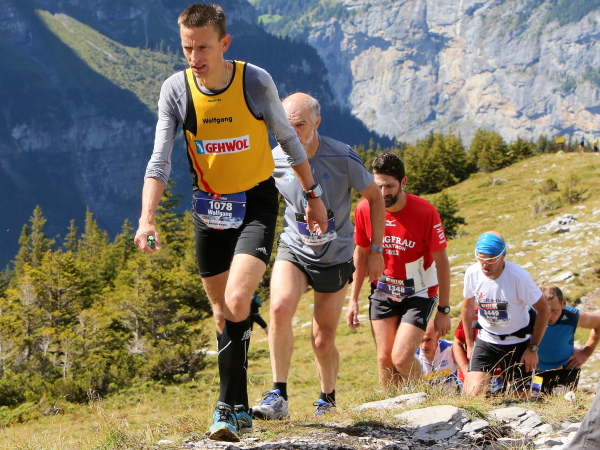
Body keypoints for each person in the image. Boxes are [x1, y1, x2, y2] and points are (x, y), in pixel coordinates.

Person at [133, 4, 328, 442]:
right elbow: (160, 159)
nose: (194, 58)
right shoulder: (176, 90)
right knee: (223, 311)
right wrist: (147, 218)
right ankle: (239, 407)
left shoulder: (253, 81)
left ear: (224, 43)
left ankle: (223, 407)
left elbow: (287, 138)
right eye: (187, 48)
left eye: (203, 48)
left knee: (238, 299)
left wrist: (313, 196)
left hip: (256, 202)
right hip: (209, 207)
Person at [251, 93, 385, 419]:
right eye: (286, 126)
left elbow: (375, 198)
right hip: (294, 248)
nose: (292, 132)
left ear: (317, 123)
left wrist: (376, 250)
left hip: (335, 255)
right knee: (279, 308)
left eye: (300, 125)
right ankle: (278, 396)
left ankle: (327, 398)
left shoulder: (342, 156)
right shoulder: (274, 159)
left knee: (322, 340)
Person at [346, 152, 451, 390]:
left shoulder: (425, 211)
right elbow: (360, 255)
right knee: (384, 360)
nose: (383, 193)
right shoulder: (364, 209)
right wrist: (353, 300)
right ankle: (392, 408)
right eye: (378, 186)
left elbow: (442, 262)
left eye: (390, 186)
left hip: (419, 293)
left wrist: (444, 309)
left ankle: (427, 398)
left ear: (403, 182)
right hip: (383, 290)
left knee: (401, 358)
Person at [461, 231, 550, 396]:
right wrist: (470, 344)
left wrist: (533, 348)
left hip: (518, 342)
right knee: (472, 394)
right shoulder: (472, 273)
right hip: (487, 339)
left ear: (503, 256)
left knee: (521, 399)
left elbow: (544, 309)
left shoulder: (519, 277)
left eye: (491, 259)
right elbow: (467, 307)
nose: (484, 264)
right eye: (480, 258)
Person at [537, 285, 600, 394]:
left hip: (566, 370)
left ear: (563, 303)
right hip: (535, 371)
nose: (549, 316)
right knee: (534, 401)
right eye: (544, 310)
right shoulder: (529, 314)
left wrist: (585, 353)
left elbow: (598, 323)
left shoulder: (573, 316)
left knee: (563, 399)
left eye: (554, 310)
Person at [453, 309, 504, 394]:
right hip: (473, 377)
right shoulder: (472, 315)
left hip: (503, 378)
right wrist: (466, 372)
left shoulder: (515, 312)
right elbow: (457, 344)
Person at [415, 320, 458, 389]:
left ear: (437, 336)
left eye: (428, 340)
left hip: (453, 394)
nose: (424, 346)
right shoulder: (413, 356)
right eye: (421, 340)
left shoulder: (451, 349)